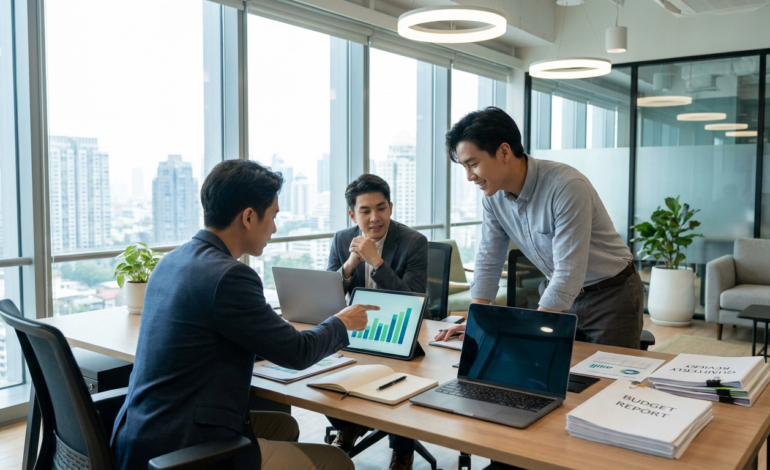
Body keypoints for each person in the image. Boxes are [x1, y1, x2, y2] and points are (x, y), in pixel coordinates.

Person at [111, 160, 378, 470]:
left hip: (141, 432)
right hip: (183, 446)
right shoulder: (229, 276)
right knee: (336, 462)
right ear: (249, 217)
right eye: (274, 216)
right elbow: (296, 352)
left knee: (285, 427)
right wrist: (342, 322)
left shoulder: (174, 260)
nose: (275, 228)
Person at [435, 107, 643, 349]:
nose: (469, 176)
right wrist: (476, 319)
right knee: (553, 378)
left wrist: (531, 329)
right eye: (464, 167)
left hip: (609, 295)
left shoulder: (566, 186)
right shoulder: (493, 198)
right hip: (557, 293)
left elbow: (568, 270)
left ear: (504, 151)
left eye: (473, 164)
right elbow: (489, 257)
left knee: (611, 379)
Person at [325, 174, 428, 470]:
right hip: (360, 328)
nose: (374, 218)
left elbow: (414, 300)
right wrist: (349, 266)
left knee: (403, 379)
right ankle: (349, 423)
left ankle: (402, 450)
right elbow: (329, 296)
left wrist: (377, 263)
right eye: (365, 211)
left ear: (391, 207)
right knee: (318, 368)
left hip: (404, 328)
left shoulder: (413, 242)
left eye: (381, 208)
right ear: (352, 214)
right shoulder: (343, 239)